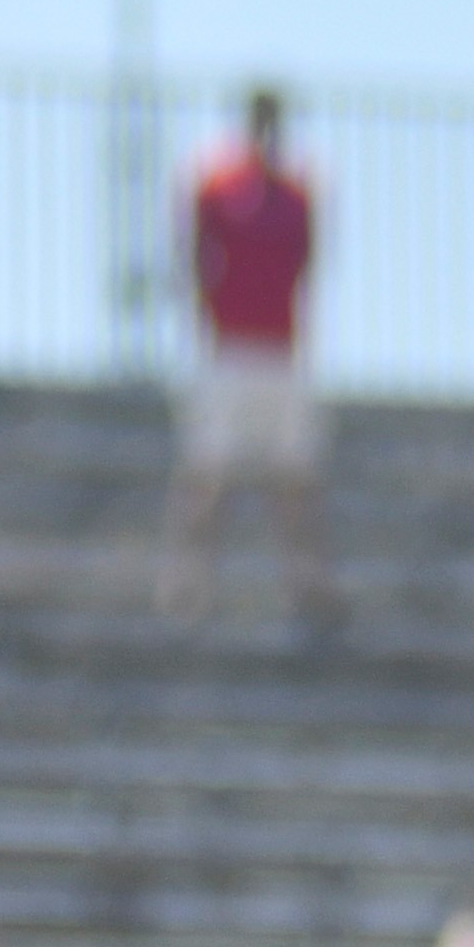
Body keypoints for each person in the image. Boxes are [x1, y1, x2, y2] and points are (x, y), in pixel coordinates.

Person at [158, 86, 336, 622]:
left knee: (294, 478)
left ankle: (306, 586)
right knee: (208, 474)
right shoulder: (215, 185)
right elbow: (192, 256)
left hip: (281, 350)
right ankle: (188, 586)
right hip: (230, 349)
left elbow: (309, 263)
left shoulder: (299, 193)